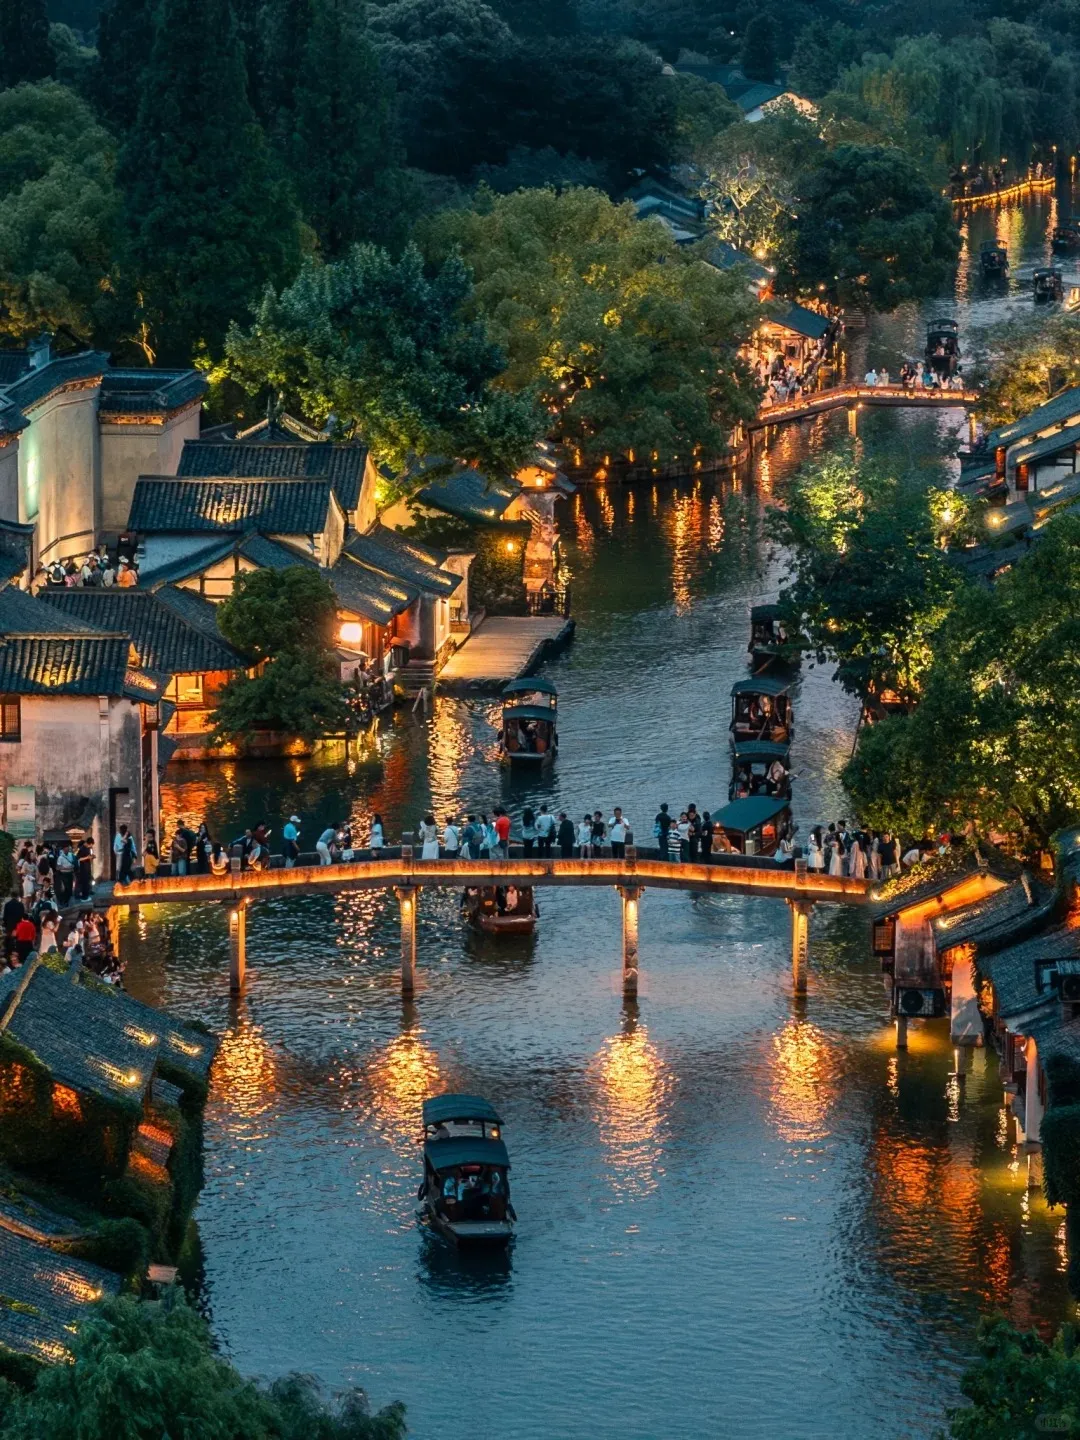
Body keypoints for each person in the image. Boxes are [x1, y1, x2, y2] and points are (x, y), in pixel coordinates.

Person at [53, 841, 75, 906]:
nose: (67, 849)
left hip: (70, 874)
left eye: (68, 848)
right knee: (65, 888)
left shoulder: (71, 855)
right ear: (63, 849)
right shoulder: (60, 857)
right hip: (64, 875)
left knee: (70, 888)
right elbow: (58, 867)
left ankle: (67, 901)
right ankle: (64, 901)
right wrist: (66, 868)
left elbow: (73, 863)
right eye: (66, 848)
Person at [75, 835, 94, 901]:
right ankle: (84, 897)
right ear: (89, 843)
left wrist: (91, 857)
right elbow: (78, 858)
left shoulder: (88, 848)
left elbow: (89, 856)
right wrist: (87, 857)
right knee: (84, 883)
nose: (91, 846)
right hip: (83, 869)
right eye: (91, 845)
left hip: (87, 867)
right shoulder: (82, 848)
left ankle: (86, 895)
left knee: (87, 882)